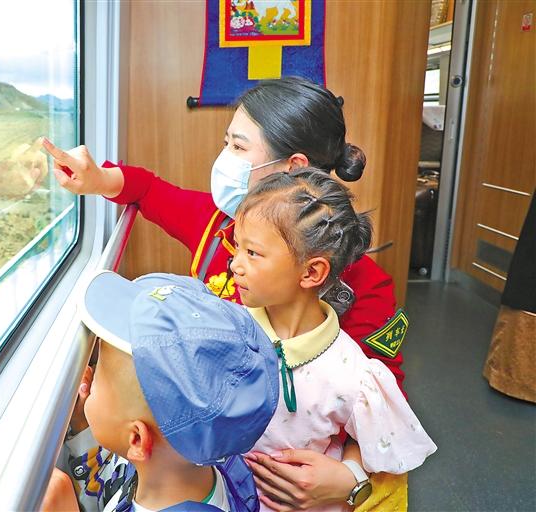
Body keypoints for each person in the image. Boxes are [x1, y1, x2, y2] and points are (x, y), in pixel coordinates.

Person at [42, 77, 408, 509]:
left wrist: (349, 477)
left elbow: (381, 401)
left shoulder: (366, 287)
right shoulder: (216, 225)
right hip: (212, 459)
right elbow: (149, 190)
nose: (238, 263)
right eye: (226, 143)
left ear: (293, 166)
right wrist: (98, 178)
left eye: (238, 147)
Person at [232, 169, 436, 511]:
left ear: (312, 272)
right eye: (237, 247)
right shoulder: (228, 332)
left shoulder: (352, 373)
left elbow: (382, 446)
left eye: (252, 253)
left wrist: (351, 474)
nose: (235, 264)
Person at [43, 271, 281, 511]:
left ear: (137, 438)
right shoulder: (196, 455)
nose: (88, 376)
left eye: (96, 374)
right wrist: (81, 425)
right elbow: (115, 484)